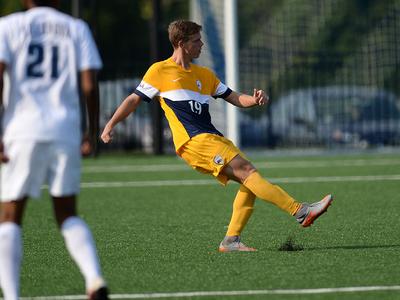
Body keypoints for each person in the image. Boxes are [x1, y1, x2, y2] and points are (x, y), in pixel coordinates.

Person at [101, 20, 333, 253]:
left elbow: (234, 97)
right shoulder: (159, 71)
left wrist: (255, 100)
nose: (201, 44)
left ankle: (231, 241)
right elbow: (133, 99)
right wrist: (110, 124)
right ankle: (301, 211)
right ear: (181, 44)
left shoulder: (205, 74)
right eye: (196, 41)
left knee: (250, 180)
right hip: (194, 142)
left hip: (212, 138)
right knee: (249, 173)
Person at [0, 0, 109, 299]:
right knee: (67, 213)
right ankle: (94, 278)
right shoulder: (76, 28)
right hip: (64, 130)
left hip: (21, 130)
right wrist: (90, 131)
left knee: (10, 215)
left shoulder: (7, 26)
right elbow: (89, 85)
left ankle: (11, 296)